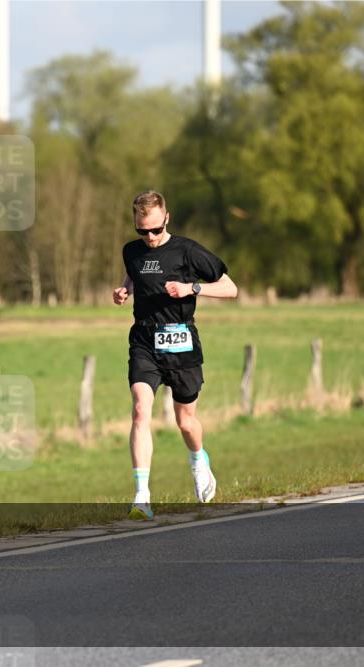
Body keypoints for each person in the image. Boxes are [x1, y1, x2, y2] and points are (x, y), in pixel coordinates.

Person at [113, 190, 238, 520]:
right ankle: (142, 496)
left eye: (155, 229)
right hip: (144, 341)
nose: (150, 237)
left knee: (186, 422)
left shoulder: (188, 251)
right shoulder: (132, 252)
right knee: (141, 411)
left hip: (181, 344)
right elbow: (140, 272)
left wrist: (192, 288)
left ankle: (198, 460)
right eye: (143, 231)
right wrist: (127, 287)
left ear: (166, 218)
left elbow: (231, 288)